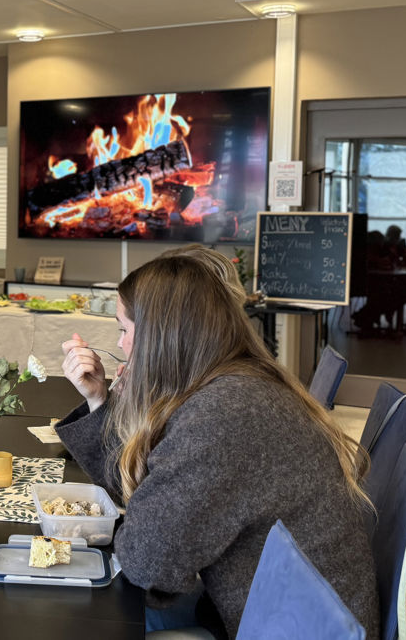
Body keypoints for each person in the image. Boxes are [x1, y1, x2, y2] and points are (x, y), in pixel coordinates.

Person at [55, 247, 379, 639]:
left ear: (159, 337)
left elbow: (147, 563)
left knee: (75, 616)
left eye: (124, 330)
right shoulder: (238, 386)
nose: (121, 345)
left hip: (296, 627)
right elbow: (150, 505)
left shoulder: (224, 415)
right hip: (288, 609)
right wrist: (100, 401)